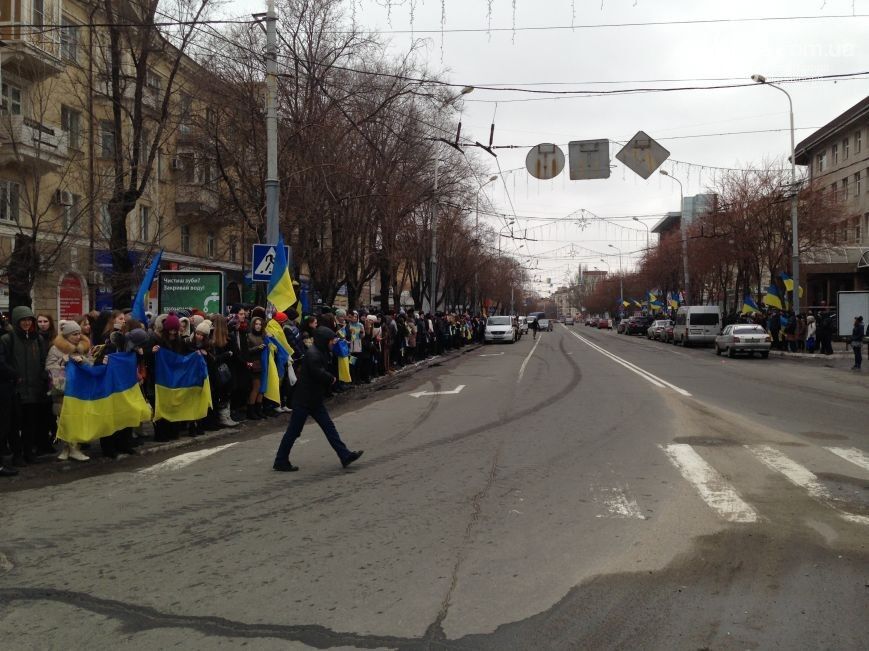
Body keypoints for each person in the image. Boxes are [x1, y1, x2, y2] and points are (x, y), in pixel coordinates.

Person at [273, 327, 363, 472]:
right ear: (324, 340)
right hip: (304, 400)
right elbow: (317, 372)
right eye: (331, 340)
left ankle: (344, 455)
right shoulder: (314, 354)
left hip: (314, 399)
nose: (333, 343)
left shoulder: (320, 351)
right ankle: (280, 460)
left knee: (329, 427)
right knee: (294, 431)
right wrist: (331, 379)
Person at [1, 306, 48, 466]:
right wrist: (14, 376)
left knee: (30, 424)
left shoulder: (38, 339)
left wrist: (43, 374)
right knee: (14, 425)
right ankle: (17, 454)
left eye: (29, 319)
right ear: (16, 321)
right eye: (23, 320)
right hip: (16, 390)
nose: (27, 323)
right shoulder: (8, 339)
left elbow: (43, 360)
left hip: (34, 389)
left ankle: (29, 452)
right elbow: (4, 362)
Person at [46, 320, 93, 461]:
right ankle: (67, 448)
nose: (78, 336)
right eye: (74, 334)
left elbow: (91, 363)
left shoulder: (84, 346)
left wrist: (83, 361)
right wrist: (62, 363)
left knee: (77, 419)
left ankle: (74, 448)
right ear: (66, 335)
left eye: (79, 333)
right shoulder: (55, 349)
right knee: (63, 421)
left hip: (79, 389)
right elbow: (49, 366)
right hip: (62, 390)